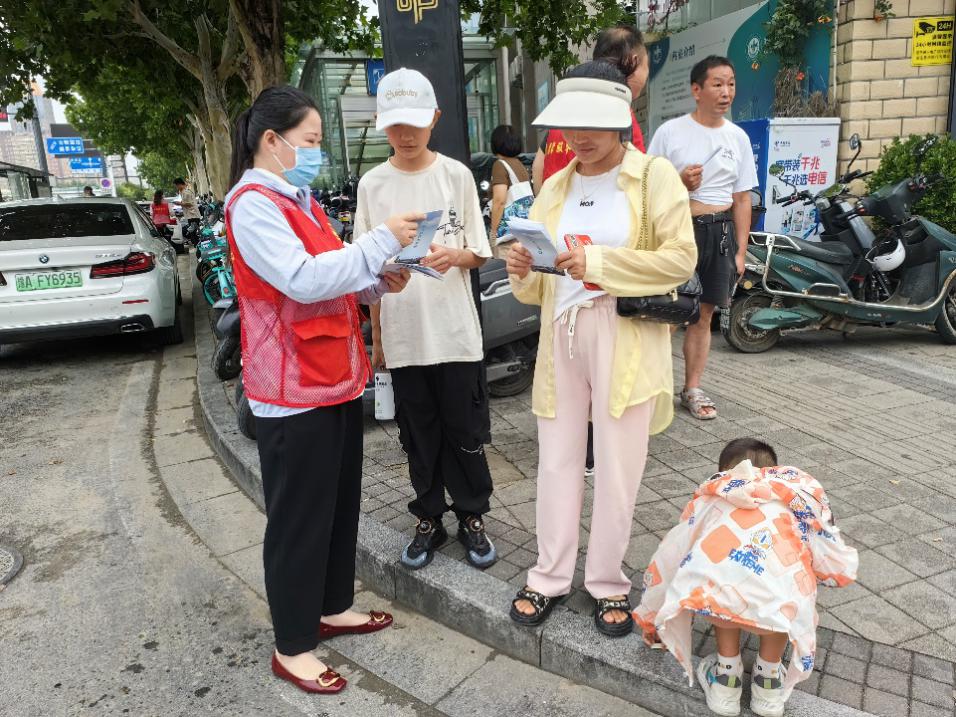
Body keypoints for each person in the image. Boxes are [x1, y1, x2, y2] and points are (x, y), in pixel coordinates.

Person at [224, 84, 423, 695]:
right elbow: (302, 280)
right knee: (299, 518)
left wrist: (374, 281)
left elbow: (332, 274)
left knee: (337, 505)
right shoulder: (253, 203)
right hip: (288, 387)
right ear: (272, 141)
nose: (316, 152)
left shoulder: (298, 198)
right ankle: (292, 643)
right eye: (309, 141)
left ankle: (332, 605)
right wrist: (380, 240)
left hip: (333, 376)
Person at [505, 62, 696, 636]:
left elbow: (680, 259)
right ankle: (549, 575)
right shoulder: (556, 185)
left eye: (596, 123)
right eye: (571, 124)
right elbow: (541, 282)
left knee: (618, 465)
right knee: (557, 459)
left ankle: (608, 581)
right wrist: (524, 268)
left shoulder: (652, 176)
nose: (582, 136)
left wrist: (602, 264)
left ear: (623, 120)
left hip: (626, 333)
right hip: (561, 333)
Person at [356, 68, 498, 571]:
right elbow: (363, 268)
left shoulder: (455, 175)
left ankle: (473, 516)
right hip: (403, 332)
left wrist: (453, 257)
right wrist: (377, 342)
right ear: (381, 124)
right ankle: (429, 518)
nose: (406, 135)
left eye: (415, 123)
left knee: (465, 429)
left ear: (435, 118)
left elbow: (480, 251)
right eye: (395, 125)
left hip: (456, 333)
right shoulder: (372, 185)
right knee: (419, 433)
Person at [634, 438, 858, 717]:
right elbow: (824, 541)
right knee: (783, 597)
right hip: (779, 602)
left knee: (723, 588)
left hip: (723, 599)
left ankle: (727, 682)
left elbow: (672, 551)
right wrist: (831, 574)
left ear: (724, 474)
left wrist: (655, 614)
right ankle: (768, 685)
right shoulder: (794, 497)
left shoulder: (713, 497)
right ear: (775, 470)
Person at [647, 56, 758, 421]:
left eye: (731, 83)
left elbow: (743, 198)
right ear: (696, 90)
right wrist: (680, 182)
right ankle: (654, 389)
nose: (726, 92)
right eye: (717, 84)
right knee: (665, 310)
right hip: (680, 228)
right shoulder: (670, 133)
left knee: (704, 312)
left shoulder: (737, 137)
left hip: (721, 230)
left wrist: (741, 251)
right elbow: (647, 188)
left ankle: (691, 388)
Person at [532, 23, 649, 192]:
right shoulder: (621, 116)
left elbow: (538, 166)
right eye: (646, 65)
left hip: (555, 209)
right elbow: (638, 178)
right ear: (634, 61)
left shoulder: (562, 115)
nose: (578, 139)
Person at [489, 124, 532, 243]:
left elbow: (499, 201)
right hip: (523, 232)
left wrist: (493, 232)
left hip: (508, 237)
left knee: (503, 261)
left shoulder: (500, 165)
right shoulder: (519, 164)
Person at [174, 177, 201, 245]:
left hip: (193, 215)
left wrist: (179, 203)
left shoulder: (186, 192)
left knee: (193, 233)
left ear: (180, 184)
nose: (176, 187)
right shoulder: (183, 192)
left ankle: (198, 247)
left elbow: (189, 203)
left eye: (176, 185)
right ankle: (197, 246)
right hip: (190, 215)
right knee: (192, 233)